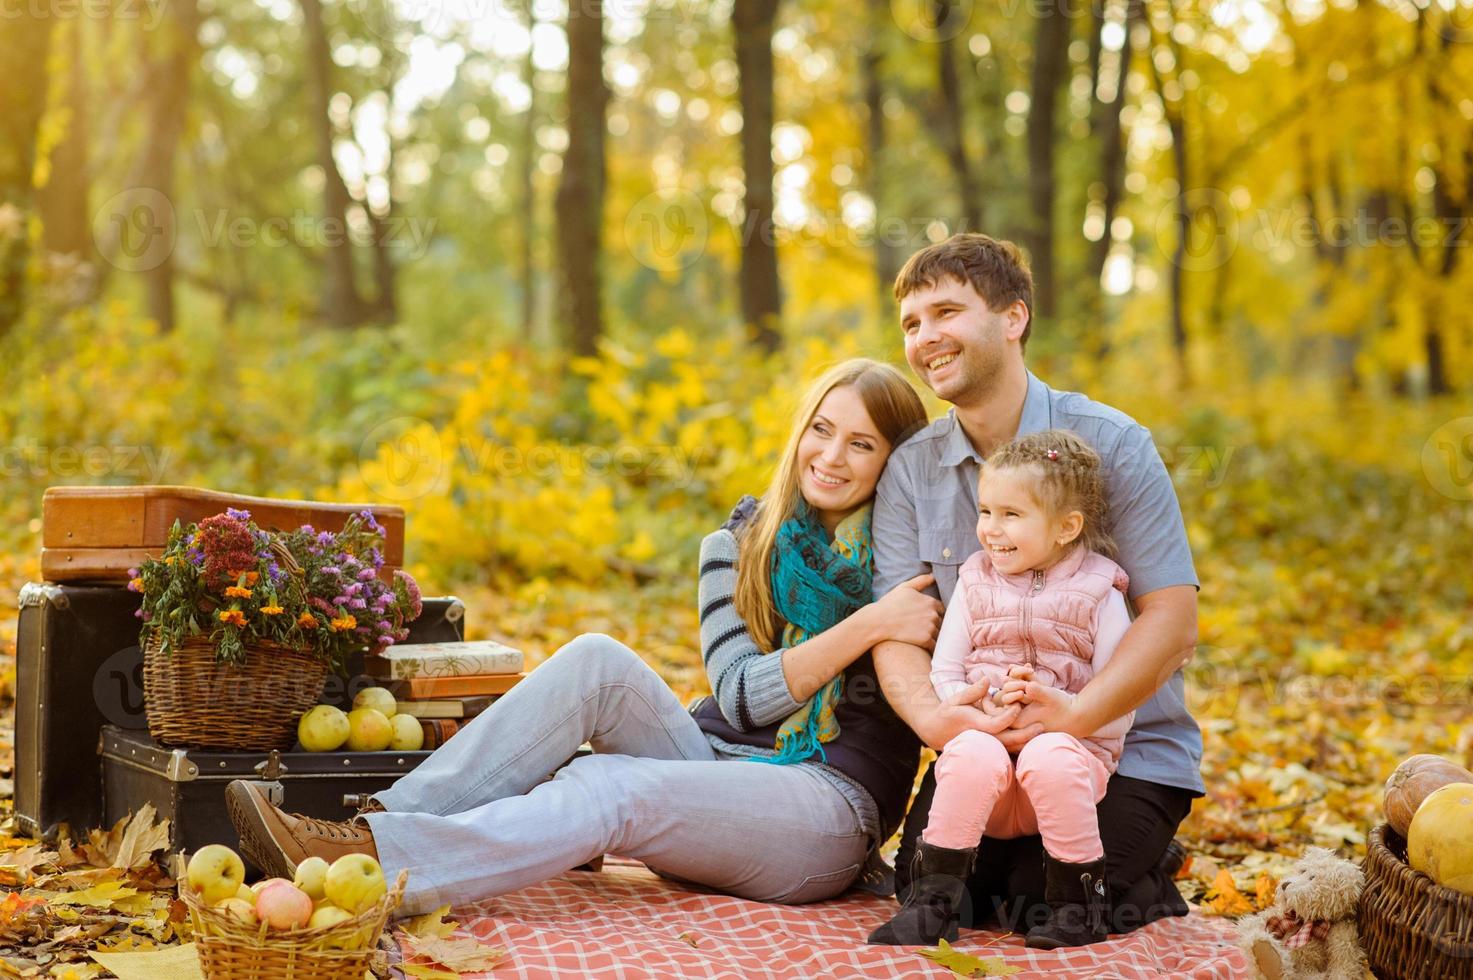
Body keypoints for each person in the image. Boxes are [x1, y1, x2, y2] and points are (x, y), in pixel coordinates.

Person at [225, 358, 1001, 918]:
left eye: (860, 444)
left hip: (824, 810)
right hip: (715, 760)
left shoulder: (912, 567)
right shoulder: (739, 544)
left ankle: (384, 870)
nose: (830, 457)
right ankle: (365, 832)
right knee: (597, 658)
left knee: (605, 784)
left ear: (892, 461)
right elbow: (738, 694)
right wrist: (868, 624)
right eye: (821, 431)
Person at [871, 233, 1204, 937]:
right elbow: (895, 626)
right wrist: (937, 721)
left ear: (1012, 318)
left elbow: (1171, 620)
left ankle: (1148, 864)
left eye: (945, 313)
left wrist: (1076, 719)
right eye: (910, 323)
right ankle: (1110, 865)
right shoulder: (911, 469)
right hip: (984, 744)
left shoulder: (1112, 444)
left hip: (1120, 748)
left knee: (1036, 899)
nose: (925, 336)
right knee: (933, 893)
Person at [868, 429, 1135, 948]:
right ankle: (933, 906)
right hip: (987, 767)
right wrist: (976, 706)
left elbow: (1119, 697)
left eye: (1011, 515)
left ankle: (1078, 911)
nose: (991, 529)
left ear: (1066, 527)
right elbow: (945, 672)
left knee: (1053, 756)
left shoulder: (1100, 592)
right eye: (986, 511)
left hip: (1065, 766)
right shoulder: (975, 582)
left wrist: (1067, 711)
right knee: (970, 751)